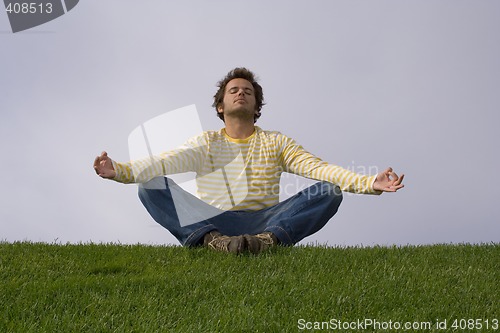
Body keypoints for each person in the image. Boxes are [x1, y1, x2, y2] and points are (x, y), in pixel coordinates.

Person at [94, 68, 404, 255]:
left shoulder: (275, 141)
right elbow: (164, 162)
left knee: (329, 191)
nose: (241, 93)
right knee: (151, 186)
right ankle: (213, 242)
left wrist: (368, 182)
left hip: (266, 220)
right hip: (214, 220)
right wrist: (119, 170)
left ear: (256, 105)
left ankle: (267, 242)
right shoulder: (206, 142)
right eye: (234, 90)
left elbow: (318, 168)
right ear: (220, 106)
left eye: (248, 91)